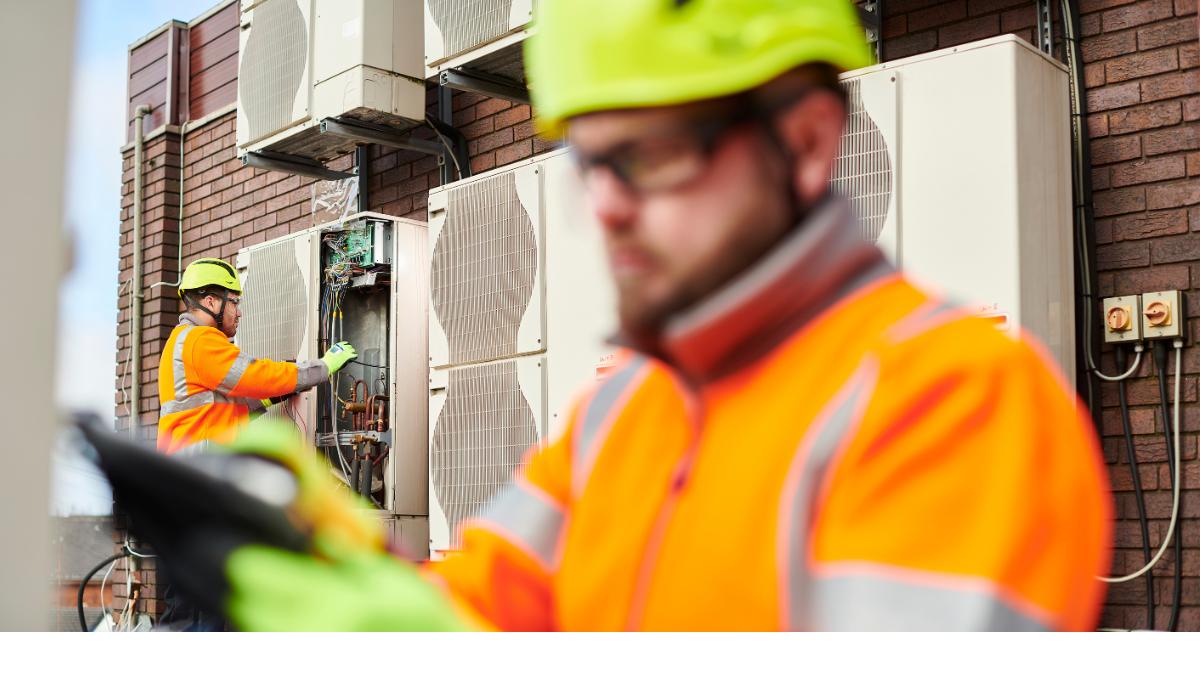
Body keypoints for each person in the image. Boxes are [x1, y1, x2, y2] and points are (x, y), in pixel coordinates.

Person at [180, 0, 1113, 631]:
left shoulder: (962, 408)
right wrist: (321, 563)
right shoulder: (621, 411)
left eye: (652, 155)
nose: (608, 208)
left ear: (806, 139)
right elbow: (470, 617)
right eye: (593, 162)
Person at [156, 257, 358, 454]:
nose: (239, 312)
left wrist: (266, 399)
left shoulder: (181, 340)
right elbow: (257, 375)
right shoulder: (199, 339)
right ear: (211, 302)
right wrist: (323, 366)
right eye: (234, 302)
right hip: (198, 471)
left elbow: (217, 410)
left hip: (186, 471)